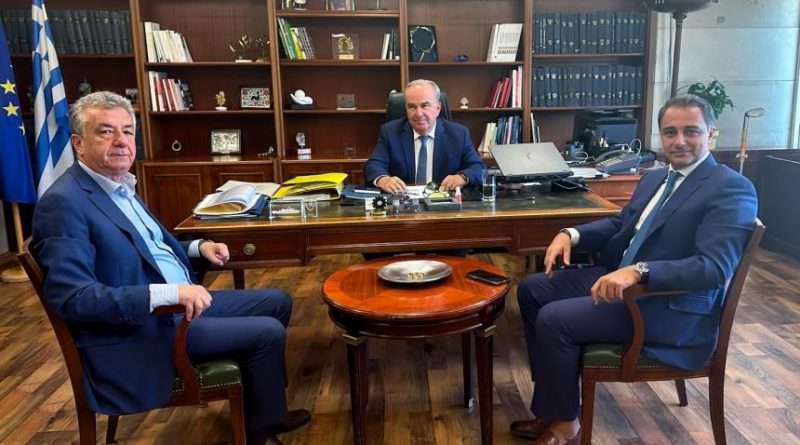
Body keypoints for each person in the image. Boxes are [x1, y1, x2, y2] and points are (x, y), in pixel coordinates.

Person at [30, 91, 308, 445]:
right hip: (143, 329)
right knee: (267, 332)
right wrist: (169, 293)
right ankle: (259, 433)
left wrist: (197, 247)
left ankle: (266, 408)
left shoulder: (116, 186)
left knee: (278, 301)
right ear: (78, 144)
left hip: (178, 306)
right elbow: (75, 298)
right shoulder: (64, 203)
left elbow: (147, 248)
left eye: (128, 131)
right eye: (105, 131)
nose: (121, 141)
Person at [510, 94, 758, 445]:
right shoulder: (656, 177)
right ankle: (554, 406)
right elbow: (620, 224)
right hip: (622, 282)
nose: (679, 141)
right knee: (532, 289)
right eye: (670, 132)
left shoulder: (730, 187)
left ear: (711, 133)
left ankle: (565, 425)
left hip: (664, 305)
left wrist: (639, 271)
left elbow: (713, 268)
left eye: (691, 131)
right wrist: (570, 234)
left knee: (554, 320)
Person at [363, 79, 485, 194]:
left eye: (425, 105)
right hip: (403, 200)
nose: (418, 114)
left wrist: (462, 177)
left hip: (443, 200)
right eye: (412, 107)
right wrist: (383, 180)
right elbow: (373, 166)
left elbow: (478, 168)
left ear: (438, 108)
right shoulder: (390, 132)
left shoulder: (458, 134)